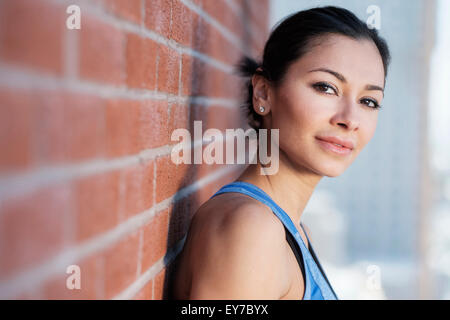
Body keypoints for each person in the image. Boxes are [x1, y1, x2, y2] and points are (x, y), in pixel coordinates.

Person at [172, 5, 391, 300]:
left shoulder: (295, 233)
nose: (349, 119)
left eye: (369, 101)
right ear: (263, 93)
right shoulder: (252, 230)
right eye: (326, 87)